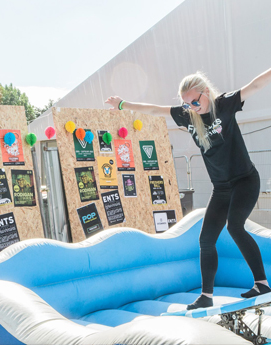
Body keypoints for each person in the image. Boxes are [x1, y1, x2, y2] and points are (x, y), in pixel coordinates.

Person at [105, 68, 271, 310]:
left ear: (206, 92)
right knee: (205, 240)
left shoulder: (224, 104)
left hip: (245, 180)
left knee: (235, 226)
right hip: (222, 188)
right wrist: (122, 104)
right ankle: (206, 295)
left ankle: (262, 283)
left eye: (196, 101)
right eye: (188, 104)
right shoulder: (187, 115)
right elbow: (154, 110)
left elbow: (255, 85)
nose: (194, 107)